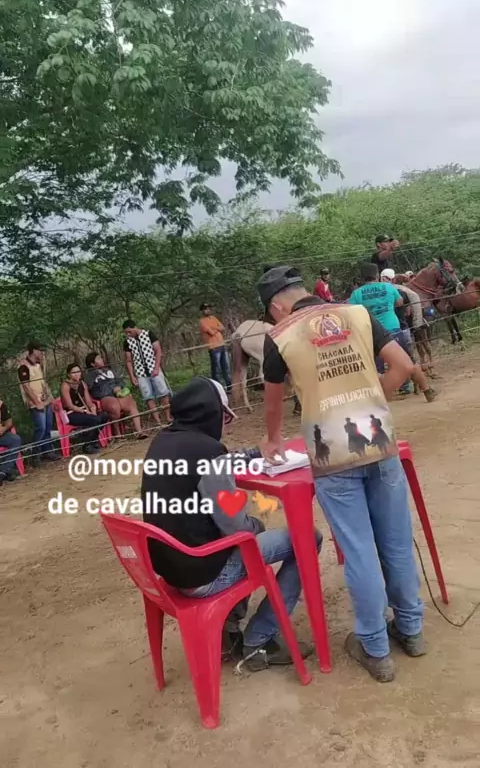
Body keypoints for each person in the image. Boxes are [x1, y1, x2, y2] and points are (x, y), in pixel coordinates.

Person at [257, 264, 426, 683]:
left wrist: (273, 440)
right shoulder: (356, 314)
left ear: (276, 307)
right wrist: (372, 402)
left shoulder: (280, 335)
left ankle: (375, 649)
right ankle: (411, 630)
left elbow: (273, 402)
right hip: (380, 442)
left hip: (331, 457)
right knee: (397, 542)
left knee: (359, 550)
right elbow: (403, 366)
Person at [141, 375, 321, 672]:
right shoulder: (207, 452)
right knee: (307, 538)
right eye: (225, 416)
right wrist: (254, 525)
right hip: (203, 573)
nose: (227, 424)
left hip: (173, 569)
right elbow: (236, 527)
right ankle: (260, 640)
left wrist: (252, 454)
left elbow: (216, 464)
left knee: (252, 535)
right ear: (210, 414)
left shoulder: (164, 441)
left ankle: (229, 630)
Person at [349, 265, 436, 402]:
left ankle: (381, 398)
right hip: (393, 328)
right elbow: (400, 302)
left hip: (373, 333)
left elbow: (351, 312)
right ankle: (426, 390)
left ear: (362, 278)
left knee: (377, 369)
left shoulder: (356, 294)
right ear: (377, 275)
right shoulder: (388, 287)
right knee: (408, 362)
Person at [84, 352, 147, 440]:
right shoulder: (89, 376)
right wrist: (111, 390)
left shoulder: (109, 370)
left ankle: (139, 431)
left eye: (101, 358)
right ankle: (117, 433)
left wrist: (119, 387)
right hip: (105, 396)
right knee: (114, 406)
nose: (101, 360)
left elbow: (120, 381)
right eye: (98, 359)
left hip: (118, 394)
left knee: (131, 403)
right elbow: (94, 391)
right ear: (92, 364)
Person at [122, 320, 172, 425]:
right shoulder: (127, 342)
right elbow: (128, 360)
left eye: (129, 331)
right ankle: (158, 421)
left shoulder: (149, 334)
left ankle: (168, 417)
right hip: (140, 372)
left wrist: (157, 367)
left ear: (135, 327)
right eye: (126, 332)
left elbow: (158, 350)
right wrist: (132, 376)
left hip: (153, 367)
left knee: (163, 393)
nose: (128, 334)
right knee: (148, 397)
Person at [18, 340, 54, 465]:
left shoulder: (38, 365)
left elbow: (42, 381)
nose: (42, 353)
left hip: (45, 399)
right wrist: (36, 402)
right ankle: (36, 455)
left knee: (48, 426)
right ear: (33, 351)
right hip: (35, 402)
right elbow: (26, 387)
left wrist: (49, 396)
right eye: (40, 351)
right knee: (41, 428)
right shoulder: (23, 366)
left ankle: (47, 451)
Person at [60, 364, 110, 453]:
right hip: (71, 414)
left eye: (78, 372)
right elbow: (70, 405)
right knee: (94, 420)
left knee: (104, 416)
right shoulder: (65, 386)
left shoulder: (82, 384)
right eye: (74, 373)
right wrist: (84, 411)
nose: (77, 374)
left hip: (84, 411)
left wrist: (92, 408)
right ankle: (87, 445)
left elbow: (89, 402)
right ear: (69, 374)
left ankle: (91, 440)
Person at [199, 304, 232, 391]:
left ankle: (229, 386)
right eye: (205, 309)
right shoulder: (202, 321)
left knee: (226, 367)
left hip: (222, 345)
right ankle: (218, 388)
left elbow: (223, 328)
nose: (208, 310)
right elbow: (211, 332)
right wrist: (217, 328)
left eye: (209, 308)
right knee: (217, 369)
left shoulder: (214, 318)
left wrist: (214, 328)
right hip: (213, 347)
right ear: (202, 311)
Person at [0, 398, 23, 483]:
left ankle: (3, 470)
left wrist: (4, 428)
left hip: (1, 435)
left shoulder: (1, 404)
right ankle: (7, 472)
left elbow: (9, 421)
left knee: (15, 439)